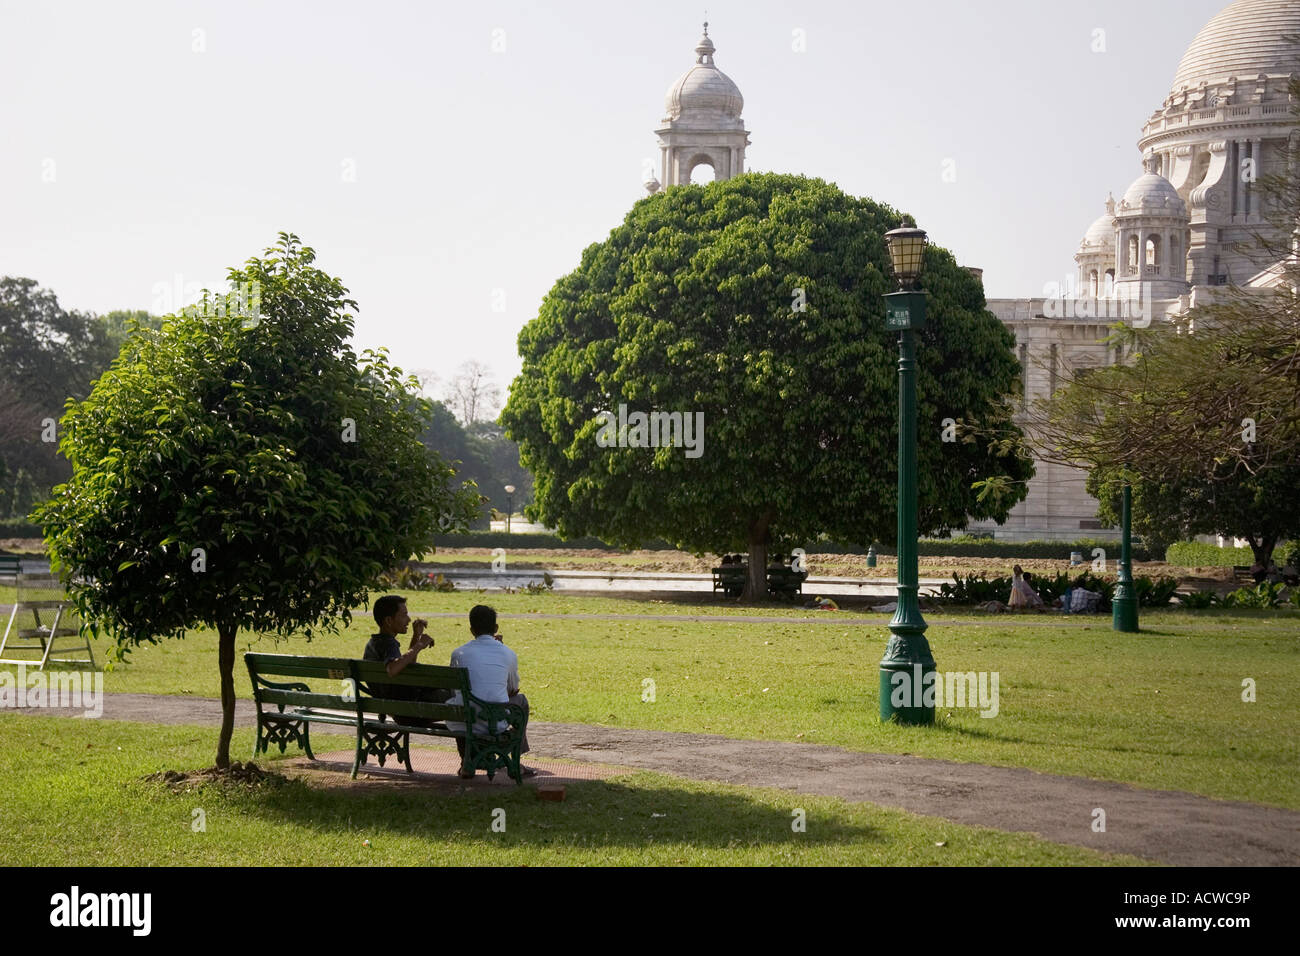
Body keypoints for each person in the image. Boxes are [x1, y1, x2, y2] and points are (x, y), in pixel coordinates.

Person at [447, 605, 535, 778]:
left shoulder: (458, 653)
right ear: (495, 628)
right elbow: (513, 689)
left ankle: (466, 763)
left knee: (461, 704)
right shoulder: (508, 653)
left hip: (465, 720)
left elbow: (454, 688)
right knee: (521, 701)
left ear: (471, 630)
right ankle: (515, 757)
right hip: (495, 720)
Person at [363, 595, 451, 728]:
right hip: (409, 712)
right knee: (458, 698)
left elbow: (407, 667)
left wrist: (416, 635)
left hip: (397, 709)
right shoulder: (388, 644)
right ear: (389, 620)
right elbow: (392, 669)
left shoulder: (374, 643)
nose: (409, 619)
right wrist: (419, 645)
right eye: (404, 615)